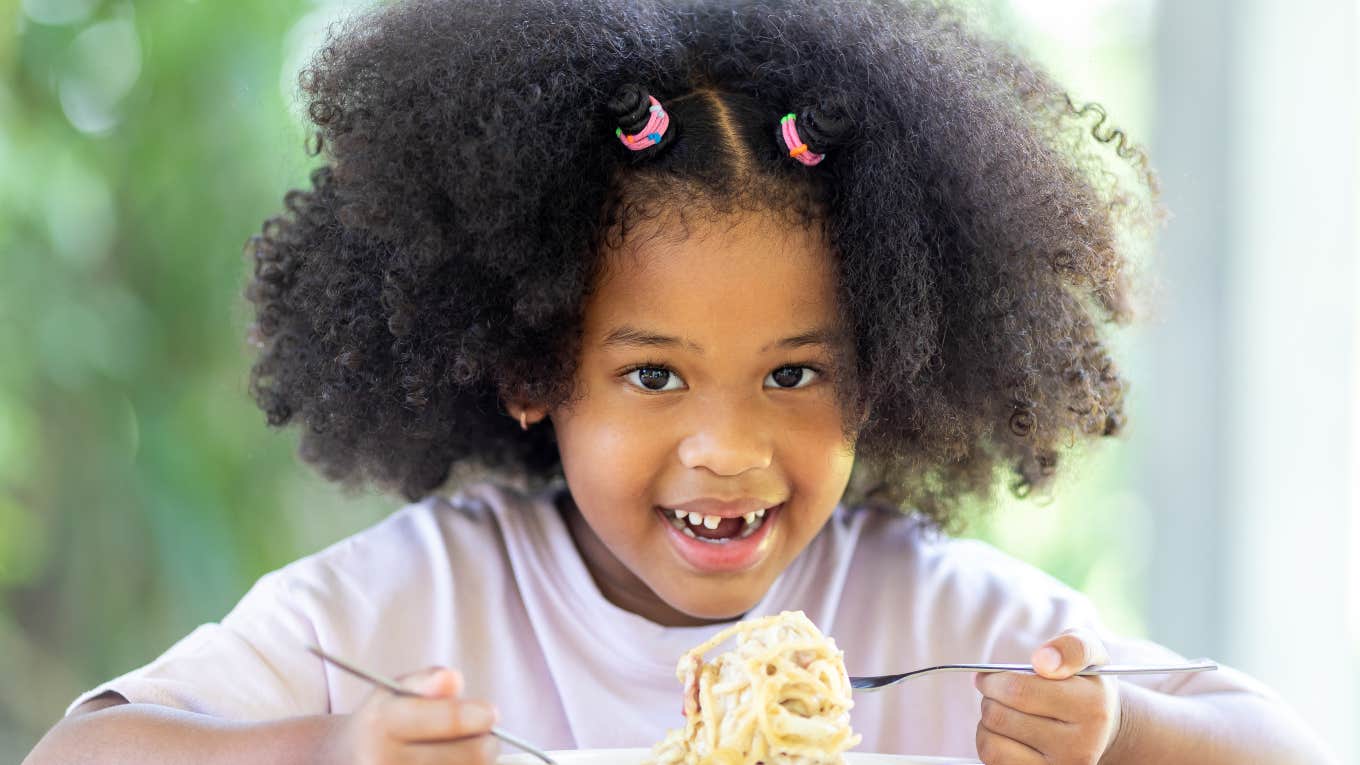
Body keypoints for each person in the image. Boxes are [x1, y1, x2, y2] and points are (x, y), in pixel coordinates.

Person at [24, 0, 1337, 763]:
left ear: (882, 368)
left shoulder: (924, 620)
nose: (730, 447)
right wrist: (327, 748)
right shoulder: (427, 599)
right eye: (654, 372)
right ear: (533, 365)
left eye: (795, 372)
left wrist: (1122, 730)